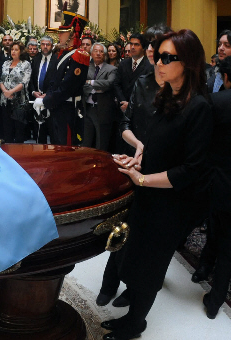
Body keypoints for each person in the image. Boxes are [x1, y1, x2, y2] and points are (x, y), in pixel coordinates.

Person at [102, 29, 212, 340]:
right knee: (134, 256)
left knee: (150, 266)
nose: (158, 62)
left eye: (167, 58)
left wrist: (142, 178)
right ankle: (131, 315)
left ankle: (136, 323)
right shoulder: (167, 96)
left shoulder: (199, 107)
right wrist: (138, 160)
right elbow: (156, 143)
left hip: (171, 202)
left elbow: (191, 169)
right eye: (158, 56)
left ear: (188, 63)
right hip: (148, 192)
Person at [33, 11, 90, 146]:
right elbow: (55, 80)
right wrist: (47, 95)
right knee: (56, 142)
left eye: (62, 32)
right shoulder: (65, 54)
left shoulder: (79, 56)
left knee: (66, 144)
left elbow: (67, 87)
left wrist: (46, 100)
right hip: (58, 105)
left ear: (71, 34)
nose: (58, 35)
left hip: (68, 108)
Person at [203, 57, 231, 320]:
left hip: (221, 183)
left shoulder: (218, 103)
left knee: (221, 239)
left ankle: (213, 302)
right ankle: (215, 300)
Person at [81, 43, 117, 151]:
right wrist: (98, 87)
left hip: (102, 110)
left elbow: (108, 84)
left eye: (101, 52)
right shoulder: (85, 68)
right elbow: (81, 84)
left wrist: (90, 82)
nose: (98, 54)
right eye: (96, 51)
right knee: (86, 141)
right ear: (91, 53)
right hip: (87, 108)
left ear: (105, 55)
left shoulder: (111, 69)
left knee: (101, 143)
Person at [0, 42, 31, 143]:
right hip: (5, 100)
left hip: (19, 101)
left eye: (16, 49)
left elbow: (24, 82)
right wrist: (5, 91)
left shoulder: (25, 64)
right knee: (7, 130)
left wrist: (11, 91)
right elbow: (0, 80)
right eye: (12, 49)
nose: (13, 51)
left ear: (21, 51)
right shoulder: (6, 63)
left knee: (19, 131)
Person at [114, 33, 153, 114]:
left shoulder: (149, 66)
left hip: (140, 110)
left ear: (143, 47)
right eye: (131, 44)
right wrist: (123, 101)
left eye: (136, 44)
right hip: (121, 108)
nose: (132, 47)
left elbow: (148, 91)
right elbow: (116, 84)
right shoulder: (123, 64)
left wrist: (131, 104)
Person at [29, 36, 57, 144]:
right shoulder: (35, 59)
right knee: (39, 133)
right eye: (43, 44)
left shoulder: (57, 60)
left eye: (48, 44)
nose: (45, 47)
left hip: (51, 100)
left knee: (53, 133)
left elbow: (57, 81)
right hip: (36, 100)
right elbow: (30, 79)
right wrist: (33, 92)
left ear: (52, 46)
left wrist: (48, 94)